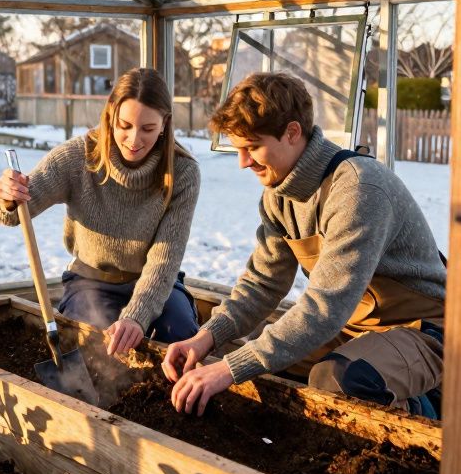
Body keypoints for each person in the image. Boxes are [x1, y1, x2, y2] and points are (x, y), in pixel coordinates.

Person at [163, 72, 446, 418]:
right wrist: (205, 338)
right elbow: (262, 285)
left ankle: (432, 408)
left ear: (293, 132)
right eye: (238, 149)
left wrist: (227, 368)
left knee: (339, 381)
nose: (243, 162)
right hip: (352, 328)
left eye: (252, 146)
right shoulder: (279, 196)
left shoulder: (358, 190)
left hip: (423, 333)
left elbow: (325, 307)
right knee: (272, 369)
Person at [0, 67, 201, 356]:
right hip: (91, 282)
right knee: (91, 346)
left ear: (165, 123)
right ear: (110, 115)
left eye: (148, 129)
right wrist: (8, 197)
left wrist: (136, 316)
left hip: (155, 283)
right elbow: (14, 213)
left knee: (178, 334)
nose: (133, 139)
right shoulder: (78, 158)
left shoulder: (182, 172)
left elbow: (165, 258)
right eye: (124, 125)